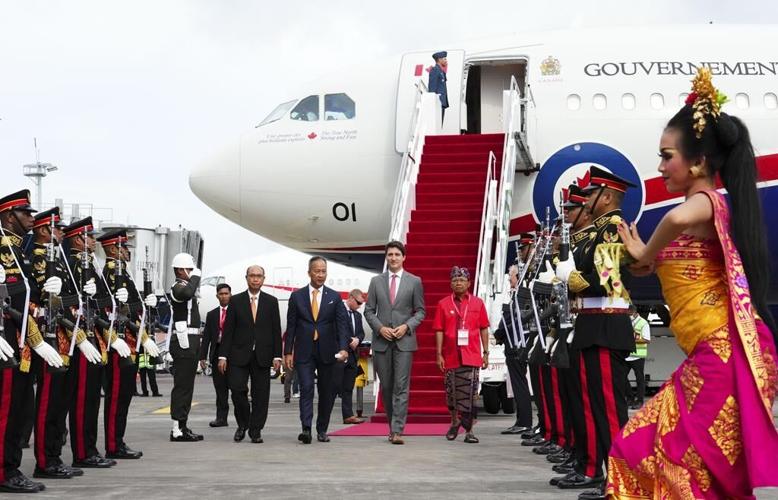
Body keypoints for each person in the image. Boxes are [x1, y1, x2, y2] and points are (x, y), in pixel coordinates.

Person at [607, 68, 778, 499]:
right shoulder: (695, 218)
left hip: (723, 355)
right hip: (710, 357)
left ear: (699, 163)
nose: (661, 166)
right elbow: (665, 264)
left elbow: (678, 218)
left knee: (682, 472)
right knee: (636, 451)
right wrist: (646, 258)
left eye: (667, 156)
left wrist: (646, 251)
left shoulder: (703, 203)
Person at [553, 166, 637, 497]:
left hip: (605, 323)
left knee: (609, 411)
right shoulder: (598, 232)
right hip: (592, 324)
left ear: (607, 197)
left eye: (592, 195)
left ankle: (621, 480)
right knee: (593, 408)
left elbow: (610, 278)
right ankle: (608, 476)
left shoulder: (612, 229)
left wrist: (574, 281)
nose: (587, 201)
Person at [0, 190, 56, 492]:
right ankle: (4, 472)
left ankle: (10, 468)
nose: (32, 219)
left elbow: (25, 302)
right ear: (10, 216)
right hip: (5, 339)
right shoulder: (2, 250)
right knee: (6, 409)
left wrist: (35, 340)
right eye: (26, 214)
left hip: (19, 341)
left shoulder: (18, 251)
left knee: (18, 409)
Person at [27, 207, 83, 479]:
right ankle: (44, 461)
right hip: (48, 337)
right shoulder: (37, 258)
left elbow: (69, 299)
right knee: (47, 404)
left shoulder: (57, 260)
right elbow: (39, 302)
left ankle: (54, 456)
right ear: (42, 230)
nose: (62, 232)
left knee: (59, 404)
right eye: (57, 228)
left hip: (63, 339)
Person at [99, 229, 158, 460]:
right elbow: (112, 312)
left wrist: (144, 303)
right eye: (123, 248)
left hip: (131, 342)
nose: (127, 252)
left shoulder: (124, 274)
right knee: (116, 397)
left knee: (124, 396)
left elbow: (133, 309)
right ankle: (113, 444)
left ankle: (118, 441)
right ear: (113, 249)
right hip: (119, 343)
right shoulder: (112, 275)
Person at [64, 217, 116, 469]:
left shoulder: (88, 264)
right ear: (78, 239)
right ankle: (83, 452)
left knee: (92, 398)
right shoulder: (74, 264)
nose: (95, 242)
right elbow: (70, 304)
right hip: (81, 336)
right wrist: (84, 339)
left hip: (94, 335)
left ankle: (90, 449)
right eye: (90, 237)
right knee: (83, 399)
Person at [364, 241, 426, 445]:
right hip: (382, 340)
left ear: (403, 257)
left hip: (404, 341)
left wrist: (407, 327)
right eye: (390, 254)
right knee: (387, 387)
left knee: (401, 386)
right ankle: (393, 426)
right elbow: (369, 311)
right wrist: (380, 328)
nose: (393, 258)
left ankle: (397, 430)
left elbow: (421, 311)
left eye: (397, 254)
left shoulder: (414, 281)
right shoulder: (376, 281)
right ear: (386, 257)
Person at [284, 257, 349, 444]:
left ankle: (322, 429)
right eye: (317, 271)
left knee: (326, 391)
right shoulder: (297, 297)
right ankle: (306, 429)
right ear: (309, 272)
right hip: (304, 350)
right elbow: (291, 326)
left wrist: (344, 348)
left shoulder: (334, 297)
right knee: (306, 388)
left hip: (328, 351)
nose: (320, 275)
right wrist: (288, 351)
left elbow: (342, 325)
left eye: (323, 271)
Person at [218, 266, 282, 443]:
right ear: (246, 278)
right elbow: (228, 330)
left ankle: (256, 430)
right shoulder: (236, 301)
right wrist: (222, 356)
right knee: (237, 390)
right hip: (238, 354)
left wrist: (278, 355)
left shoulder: (271, 301)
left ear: (264, 279)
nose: (255, 279)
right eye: (252, 276)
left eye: (259, 276)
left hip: (263, 354)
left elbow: (276, 330)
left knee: (261, 395)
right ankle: (243, 423)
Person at [433, 267, 490, 444]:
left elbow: (484, 328)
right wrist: (439, 354)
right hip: (451, 355)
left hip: (471, 354)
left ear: (469, 283)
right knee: (451, 393)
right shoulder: (443, 304)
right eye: (455, 280)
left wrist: (486, 352)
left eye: (462, 280)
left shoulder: (478, 303)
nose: (458, 283)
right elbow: (439, 330)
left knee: (471, 394)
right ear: (451, 283)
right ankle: (454, 421)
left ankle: (470, 430)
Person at [168, 252, 204, 442]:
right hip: (183, 342)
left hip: (191, 341)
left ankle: (182, 425)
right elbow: (187, 293)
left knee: (187, 386)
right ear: (181, 270)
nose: (191, 272)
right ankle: (177, 428)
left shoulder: (186, 285)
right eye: (189, 269)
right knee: (182, 386)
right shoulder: (178, 287)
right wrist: (196, 275)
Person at [494, 262, 532, 435]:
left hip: (518, 343)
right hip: (512, 342)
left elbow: (514, 319)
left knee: (519, 384)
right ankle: (522, 420)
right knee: (518, 384)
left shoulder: (522, 295)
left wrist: (500, 332)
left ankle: (524, 421)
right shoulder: (516, 294)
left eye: (512, 277)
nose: (510, 280)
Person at [200, 283, 232, 427]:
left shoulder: (237, 311)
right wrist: (202, 356)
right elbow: (206, 336)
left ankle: (243, 418)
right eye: (221, 294)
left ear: (230, 294)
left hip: (234, 354)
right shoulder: (212, 314)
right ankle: (221, 418)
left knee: (238, 388)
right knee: (220, 388)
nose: (224, 296)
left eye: (226, 293)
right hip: (216, 353)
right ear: (217, 296)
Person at [333, 289, 367, 425]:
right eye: (358, 302)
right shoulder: (339, 311)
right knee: (333, 385)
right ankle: (324, 413)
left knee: (348, 387)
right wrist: (349, 341)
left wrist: (357, 339)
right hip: (340, 354)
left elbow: (361, 333)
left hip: (352, 356)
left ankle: (348, 415)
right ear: (351, 298)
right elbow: (337, 330)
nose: (360, 306)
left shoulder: (358, 316)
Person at [624, 307, 650, 410]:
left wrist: (632, 340)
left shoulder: (643, 323)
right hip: (627, 355)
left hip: (638, 355)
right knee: (621, 377)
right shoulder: (626, 322)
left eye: (629, 313)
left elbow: (647, 340)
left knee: (639, 379)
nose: (628, 315)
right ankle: (630, 398)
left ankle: (639, 401)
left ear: (635, 313)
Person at [428, 51, 449, 124]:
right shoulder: (435, 70)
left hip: (442, 102)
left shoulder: (441, 71)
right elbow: (432, 88)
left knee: (440, 125)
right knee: (437, 124)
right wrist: (433, 102)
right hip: (438, 102)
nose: (446, 61)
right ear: (439, 60)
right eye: (445, 59)